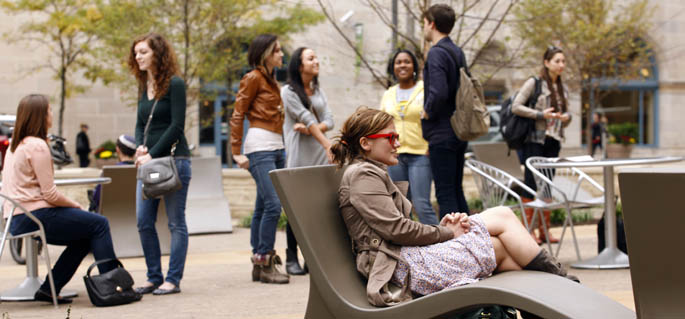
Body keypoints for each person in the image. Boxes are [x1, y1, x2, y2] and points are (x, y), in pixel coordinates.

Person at [330, 107, 578, 307]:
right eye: (391, 137)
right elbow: (395, 229)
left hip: (406, 261)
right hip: (401, 269)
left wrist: (441, 228)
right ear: (365, 143)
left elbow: (394, 229)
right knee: (502, 218)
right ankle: (564, 285)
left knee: (501, 244)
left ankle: (555, 294)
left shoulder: (368, 172)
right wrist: (447, 233)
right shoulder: (363, 176)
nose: (397, 143)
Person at [1, 94, 118, 304]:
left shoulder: (14, 147)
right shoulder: (37, 146)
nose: (51, 114)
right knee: (99, 224)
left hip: (16, 219)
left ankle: (49, 289)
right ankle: (111, 288)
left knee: (83, 237)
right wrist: (76, 206)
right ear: (40, 116)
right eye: (49, 110)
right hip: (35, 215)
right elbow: (50, 194)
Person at [129, 32, 192, 295]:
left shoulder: (175, 84)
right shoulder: (144, 86)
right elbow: (141, 122)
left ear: (158, 53)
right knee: (144, 221)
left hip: (175, 160)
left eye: (143, 52)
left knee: (175, 222)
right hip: (150, 161)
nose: (138, 57)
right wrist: (139, 146)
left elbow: (177, 125)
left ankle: (173, 279)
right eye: (136, 53)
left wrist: (152, 153)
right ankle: (153, 276)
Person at [229, 34, 289, 284]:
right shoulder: (253, 78)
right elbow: (237, 113)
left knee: (264, 206)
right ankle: (265, 259)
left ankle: (258, 261)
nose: (282, 54)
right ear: (265, 53)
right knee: (274, 205)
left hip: (277, 147)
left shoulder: (272, 80)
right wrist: (235, 151)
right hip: (260, 147)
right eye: (277, 51)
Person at [281, 46, 334, 275]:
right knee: (296, 208)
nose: (316, 61)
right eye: (310, 58)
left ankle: (312, 259)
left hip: (320, 157)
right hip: (299, 157)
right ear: (299, 65)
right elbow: (304, 116)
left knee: (317, 209)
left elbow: (328, 120)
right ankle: (291, 256)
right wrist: (325, 142)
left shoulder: (318, 91)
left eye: (316, 57)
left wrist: (312, 129)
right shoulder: (288, 92)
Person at [512, 46, 572, 244]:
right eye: (557, 61)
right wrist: (540, 115)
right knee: (530, 184)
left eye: (563, 61)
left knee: (547, 185)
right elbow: (516, 106)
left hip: (553, 139)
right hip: (534, 139)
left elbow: (568, 114)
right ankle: (527, 231)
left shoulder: (562, 87)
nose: (561, 65)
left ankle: (544, 231)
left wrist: (565, 117)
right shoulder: (534, 83)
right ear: (547, 63)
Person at [421, 4, 469, 219]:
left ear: (431, 24)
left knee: (445, 192)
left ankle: (456, 247)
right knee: (456, 189)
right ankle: (472, 241)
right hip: (459, 130)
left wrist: (427, 111)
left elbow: (438, 91)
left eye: (424, 23)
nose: (423, 28)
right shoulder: (457, 51)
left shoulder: (436, 53)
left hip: (442, 132)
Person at [380, 49, 438, 225]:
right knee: (400, 206)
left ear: (414, 66)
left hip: (420, 153)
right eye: (398, 62)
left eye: (407, 61)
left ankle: (440, 246)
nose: (402, 65)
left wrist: (430, 144)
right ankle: (410, 249)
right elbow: (381, 123)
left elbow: (434, 117)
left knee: (421, 205)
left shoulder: (424, 89)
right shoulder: (388, 93)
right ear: (393, 67)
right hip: (395, 155)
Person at [89, 134, 137, 212]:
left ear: (117, 149)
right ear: (134, 152)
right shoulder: (141, 170)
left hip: (109, 218)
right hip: (136, 216)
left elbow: (97, 198)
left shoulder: (109, 173)